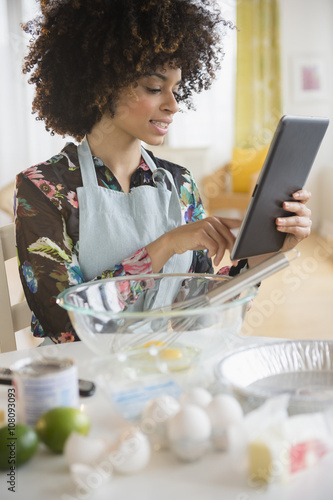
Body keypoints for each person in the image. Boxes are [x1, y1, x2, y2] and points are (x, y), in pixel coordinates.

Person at [15, 0, 312, 344]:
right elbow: (67, 323)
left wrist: (263, 255)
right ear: (101, 84)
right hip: (82, 381)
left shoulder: (179, 183)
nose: (173, 104)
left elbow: (195, 314)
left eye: (176, 89)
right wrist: (166, 245)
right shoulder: (43, 188)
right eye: (155, 88)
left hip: (155, 368)